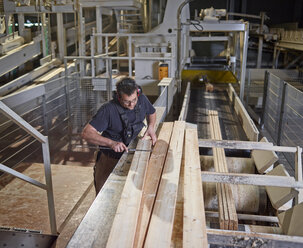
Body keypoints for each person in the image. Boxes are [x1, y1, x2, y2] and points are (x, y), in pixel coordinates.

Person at [82, 77, 157, 195]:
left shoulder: (142, 99)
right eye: (127, 101)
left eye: (134, 100)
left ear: (137, 93)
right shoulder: (108, 110)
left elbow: (152, 112)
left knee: (130, 195)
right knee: (105, 195)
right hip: (110, 159)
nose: (131, 105)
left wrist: (151, 127)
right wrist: (111, 143)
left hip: (134, 155)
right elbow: (87, 133)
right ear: (118, 97)